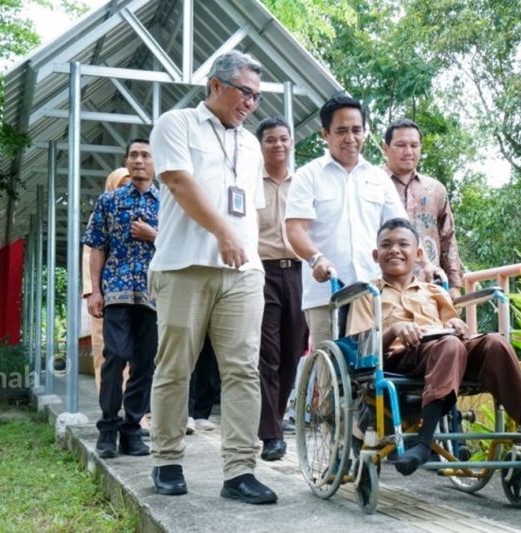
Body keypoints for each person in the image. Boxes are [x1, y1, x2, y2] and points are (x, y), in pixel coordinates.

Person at [147, 50, 276, 504]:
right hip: (185, 264)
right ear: (216, 85)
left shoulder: (250, 145)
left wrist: (252, 254)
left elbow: (251, 210)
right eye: (245, 93)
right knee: (175, 366)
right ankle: (165, 459)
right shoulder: (175, 124)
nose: (251, 104)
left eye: (258, 98)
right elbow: (180, 183)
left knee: (243, 370)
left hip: (242, 272)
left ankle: (240, 471)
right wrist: (222, 231)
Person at [347, 218, 521, 480]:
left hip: (446, 352)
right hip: (398, 359)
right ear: (375, 254)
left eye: (403, 244)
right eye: (386, 245)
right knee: (448, 345)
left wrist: (457, 324)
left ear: (417, 254)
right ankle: (424, 442)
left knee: (495, 343)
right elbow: (362, 350)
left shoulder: (435, 292)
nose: (394, 250)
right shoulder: (367, 295)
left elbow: (458, 330)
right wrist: (394, 329)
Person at [285, 95, 407, 344]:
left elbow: (401, 229)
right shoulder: (308, 176)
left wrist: (424, 264)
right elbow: (295, 229)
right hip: (326, 294)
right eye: (341, 131)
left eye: (356, 130)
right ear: (325, 134)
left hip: (374, 292)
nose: (350, 138)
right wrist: (316, 258)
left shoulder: (378, 178)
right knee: (329, 373)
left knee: (375, 368)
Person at [83, 139, 159, 459]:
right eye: (134, 155)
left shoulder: (169, 202)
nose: (139, 160)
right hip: (116, 292)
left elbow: (186, 244)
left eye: (145, 155)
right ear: (126, 161)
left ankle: (132, 429)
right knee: (115, 355)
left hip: (155, 294)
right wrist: (95, 290)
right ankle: (108, 427)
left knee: (144, 362)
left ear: (156, 161)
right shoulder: (109, 201)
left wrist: (153, 235)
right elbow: (97, 245)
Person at [255, 116, 307, 461]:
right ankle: (271, 433)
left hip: (300, 270)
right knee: (267, 353)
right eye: (271, 140)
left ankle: (276, 414)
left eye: (284, 139)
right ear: (261, 145)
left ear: (291, 143)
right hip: (262, 271)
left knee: (292, 350)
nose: (278, 145)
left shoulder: (303, 183)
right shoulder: (249, 182)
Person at [382, 119, 463, 297]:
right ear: (385, 148)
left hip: (431, 287)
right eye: (401, 145)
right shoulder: (372, 184)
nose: (408, 151)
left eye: (414, 145)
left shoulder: (435, 190)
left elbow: (448, 238)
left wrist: (454, 286)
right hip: (386, 289)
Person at [82, 167, 132, 392]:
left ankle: (135, 408)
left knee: (136, 352)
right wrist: (93, 292)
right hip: (105, 296)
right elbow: (89, 254)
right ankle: (110, 402)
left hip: (135, 297)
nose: (125, 191)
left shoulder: (143, 214)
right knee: (106, 350)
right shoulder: (100, 215)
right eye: (121, 186)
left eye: (129, 186)